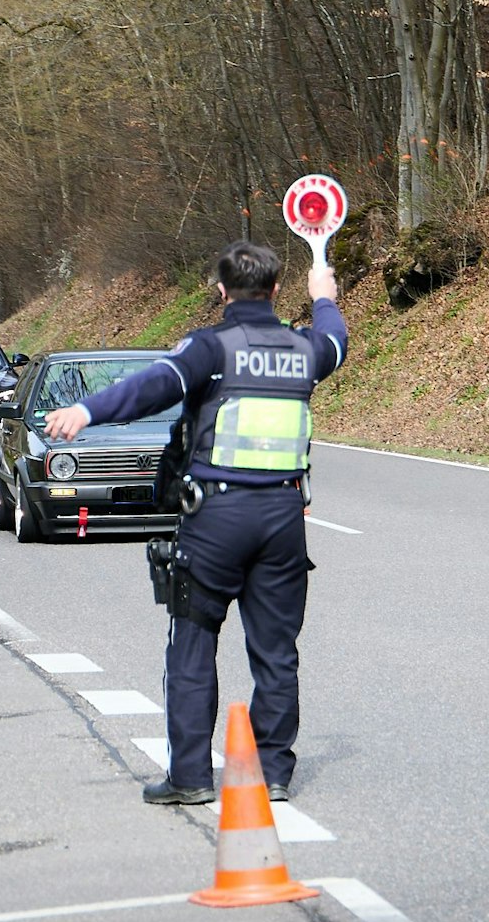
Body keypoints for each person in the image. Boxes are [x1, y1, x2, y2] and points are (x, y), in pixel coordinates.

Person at [42, 242, 347, 805]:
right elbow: (336, 340)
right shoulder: (305, 349)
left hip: (216, 518)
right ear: (277, 290)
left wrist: (86, 411)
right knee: (276, 651)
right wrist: (324, 298)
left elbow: (154, 385)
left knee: (193, 643)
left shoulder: (212, 348)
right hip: (283, 517)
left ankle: (190, 777)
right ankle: (272, 773)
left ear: (221, 290)